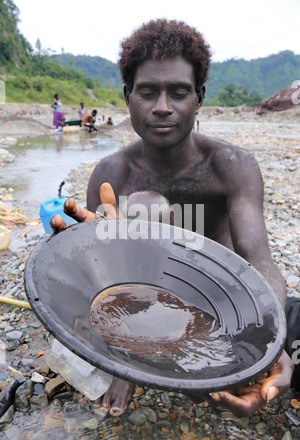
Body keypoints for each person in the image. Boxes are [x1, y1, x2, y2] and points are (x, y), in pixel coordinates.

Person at [51, 19, 299, 418]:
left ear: (198, 97)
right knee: (144, 206)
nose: (163, 107)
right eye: (148, 92)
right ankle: (133, 362)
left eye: (178, 92)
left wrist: (272, 343)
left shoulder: (232, 166)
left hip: (223, 309)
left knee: (288, 349)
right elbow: (97, 273)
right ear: (128, 96)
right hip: (142, 312)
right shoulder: (110, 175)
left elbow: (259, 260)